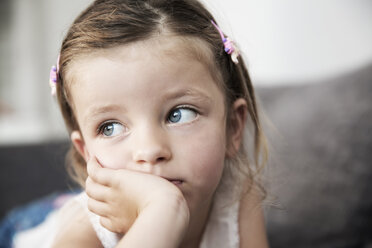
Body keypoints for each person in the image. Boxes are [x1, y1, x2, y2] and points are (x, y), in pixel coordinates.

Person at [49, 0, 269, 247]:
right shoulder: (83, 234)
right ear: (87, 153)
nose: (150, 150)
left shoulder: (238, 195)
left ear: (232, 128)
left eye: (180, 114)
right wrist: (163, 210)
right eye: (110, 127)